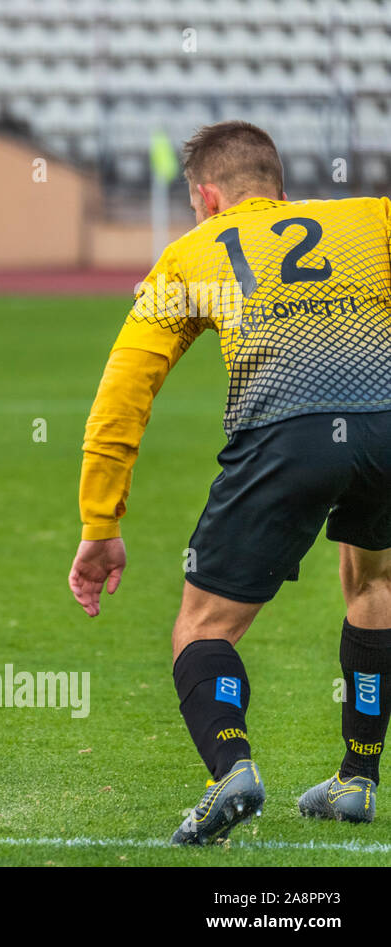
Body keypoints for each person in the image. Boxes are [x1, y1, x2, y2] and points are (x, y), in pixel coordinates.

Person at [68, 120, 391, 844]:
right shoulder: (373, 216)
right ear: (282, 189)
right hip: (387, 421)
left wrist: (101, 523)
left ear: (207, 198)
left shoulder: (189, 255)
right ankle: (357, 778)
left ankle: (231, 769)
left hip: (286, 430)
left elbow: (124, 393)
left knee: (204, 624)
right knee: (375, 582)